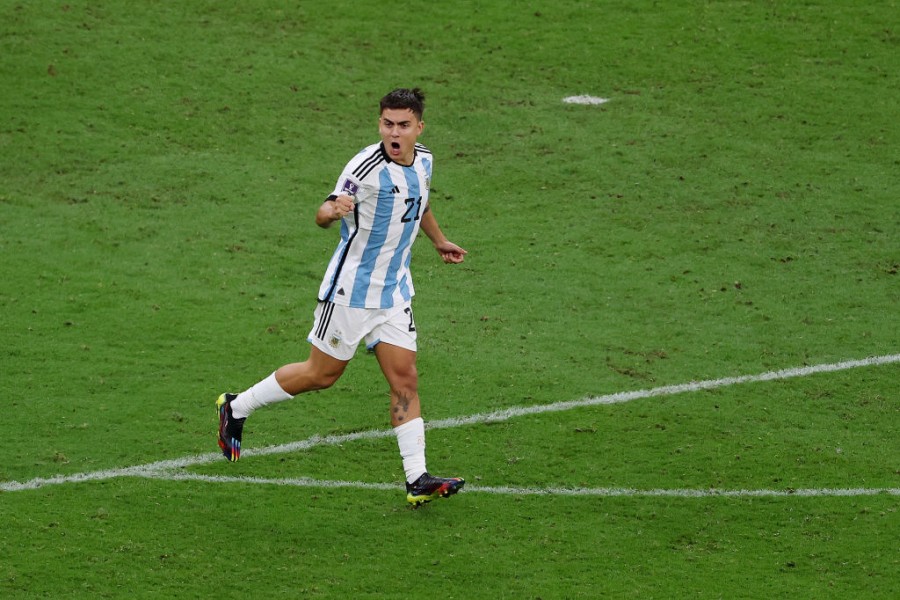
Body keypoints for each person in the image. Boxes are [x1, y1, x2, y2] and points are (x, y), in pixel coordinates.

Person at [216, 88, 467, 507]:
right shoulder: (364, 168)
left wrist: (439, 241)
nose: (394, 132)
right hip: (350, 292)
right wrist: (333, 211)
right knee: (322, 375)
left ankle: (416, 477)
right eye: (387, 123)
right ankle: (236, 407)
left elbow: (418, 204)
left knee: (404, 377)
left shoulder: (424, 159)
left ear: (419, 127)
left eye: (403, 125)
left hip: (394, 291)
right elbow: (323, 212)